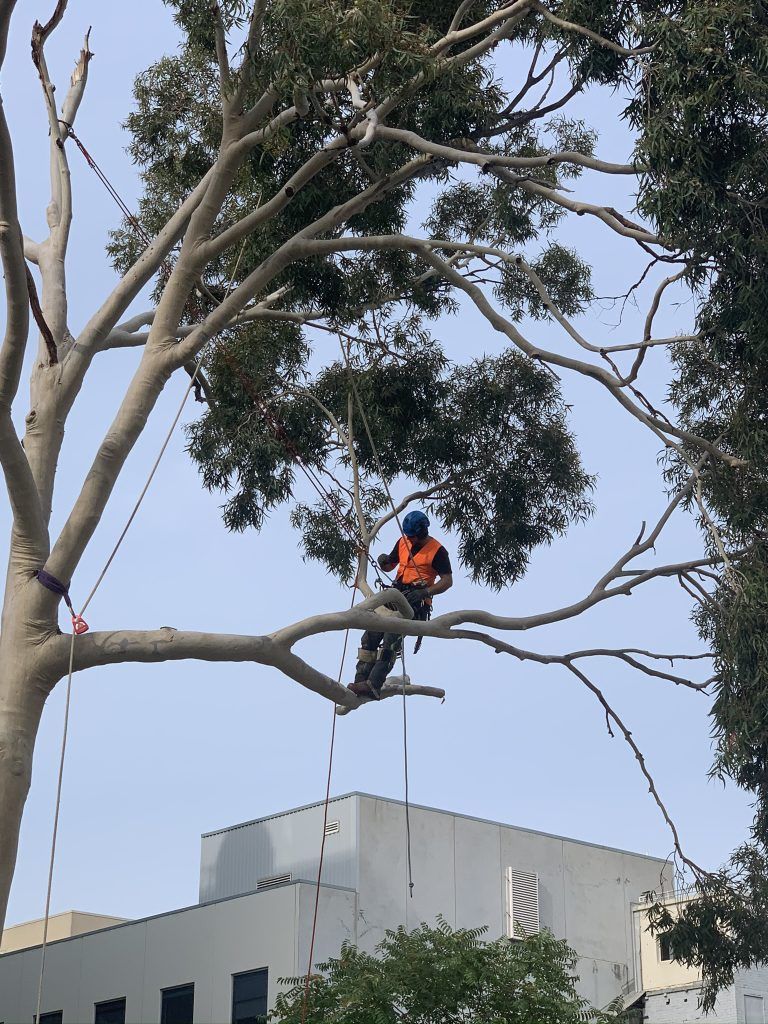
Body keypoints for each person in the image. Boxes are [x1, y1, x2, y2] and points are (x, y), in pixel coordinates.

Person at [348, 510, 453, 699]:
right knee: (370, 634)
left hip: (415, 603)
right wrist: (383, 562)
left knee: (391, 639)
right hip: (394, 596)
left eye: (413, 536)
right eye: (409, 536)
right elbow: (390, 565)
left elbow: (447, 581)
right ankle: (359, 680)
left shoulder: (437, 551)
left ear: (422, 532)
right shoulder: (403, 542)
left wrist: (426, 592)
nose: (410, 540)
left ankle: (373, 685)